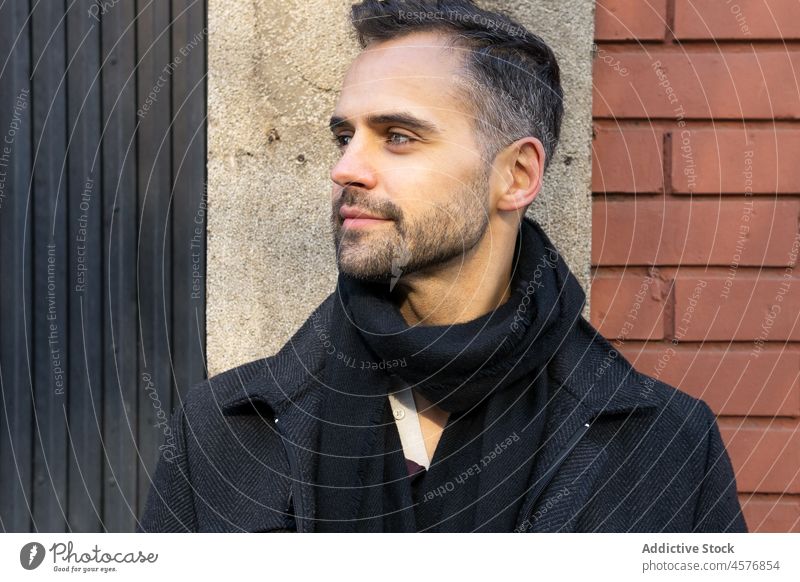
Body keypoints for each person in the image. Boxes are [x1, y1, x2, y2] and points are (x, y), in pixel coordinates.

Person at [138, 0, 746, 533]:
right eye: (344, 135)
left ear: (516, 176)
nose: (346, 168)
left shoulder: (661, 445)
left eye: (397, 136)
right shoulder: (226, 432)